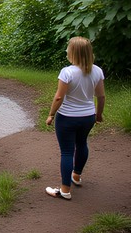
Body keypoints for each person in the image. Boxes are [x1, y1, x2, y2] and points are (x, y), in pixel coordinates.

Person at [45, 36, 105, 200]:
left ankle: (65, 190)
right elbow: (101, 97)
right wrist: (98, 114)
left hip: (67, 117)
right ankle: (76, 176)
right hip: (88, 117)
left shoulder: (67, 72)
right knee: (82, 144)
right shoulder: (97, 71)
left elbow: (59, 97)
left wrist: (51, 114)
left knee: (66, 152)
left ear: (72, 53)